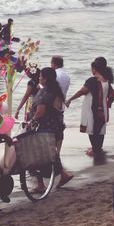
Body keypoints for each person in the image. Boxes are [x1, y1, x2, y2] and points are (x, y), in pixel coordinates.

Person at [66, 57, 114, 156]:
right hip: (103, 109)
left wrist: (70, 99)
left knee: (92, 129)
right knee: (100, 130)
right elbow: (110, 95)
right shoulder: (107, 80)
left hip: (93, 109)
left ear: (94, 69)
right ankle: (98, 148)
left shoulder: (92, 80)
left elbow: (81, 92)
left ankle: (95, 150)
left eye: (92, 68)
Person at [27, 67, 65, 193]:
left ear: (46, 78)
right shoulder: (56, 90)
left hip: (44, 128)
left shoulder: (44, 92)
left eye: (41, 76)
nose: (39, 78)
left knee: (34, 155)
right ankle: (64, 174)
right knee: (50, 154)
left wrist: (31, 121)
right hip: (56, 127)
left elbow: (40, 112)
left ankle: (40, 184)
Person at [50, 56, 73, 188]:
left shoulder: (55, 75)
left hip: (53, 109)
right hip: (60, 109)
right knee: (58, 137)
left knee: (49, 141)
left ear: (53, 64)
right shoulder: (66, 76)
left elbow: (52, 91)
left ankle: (57, 165)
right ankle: (56, 161)